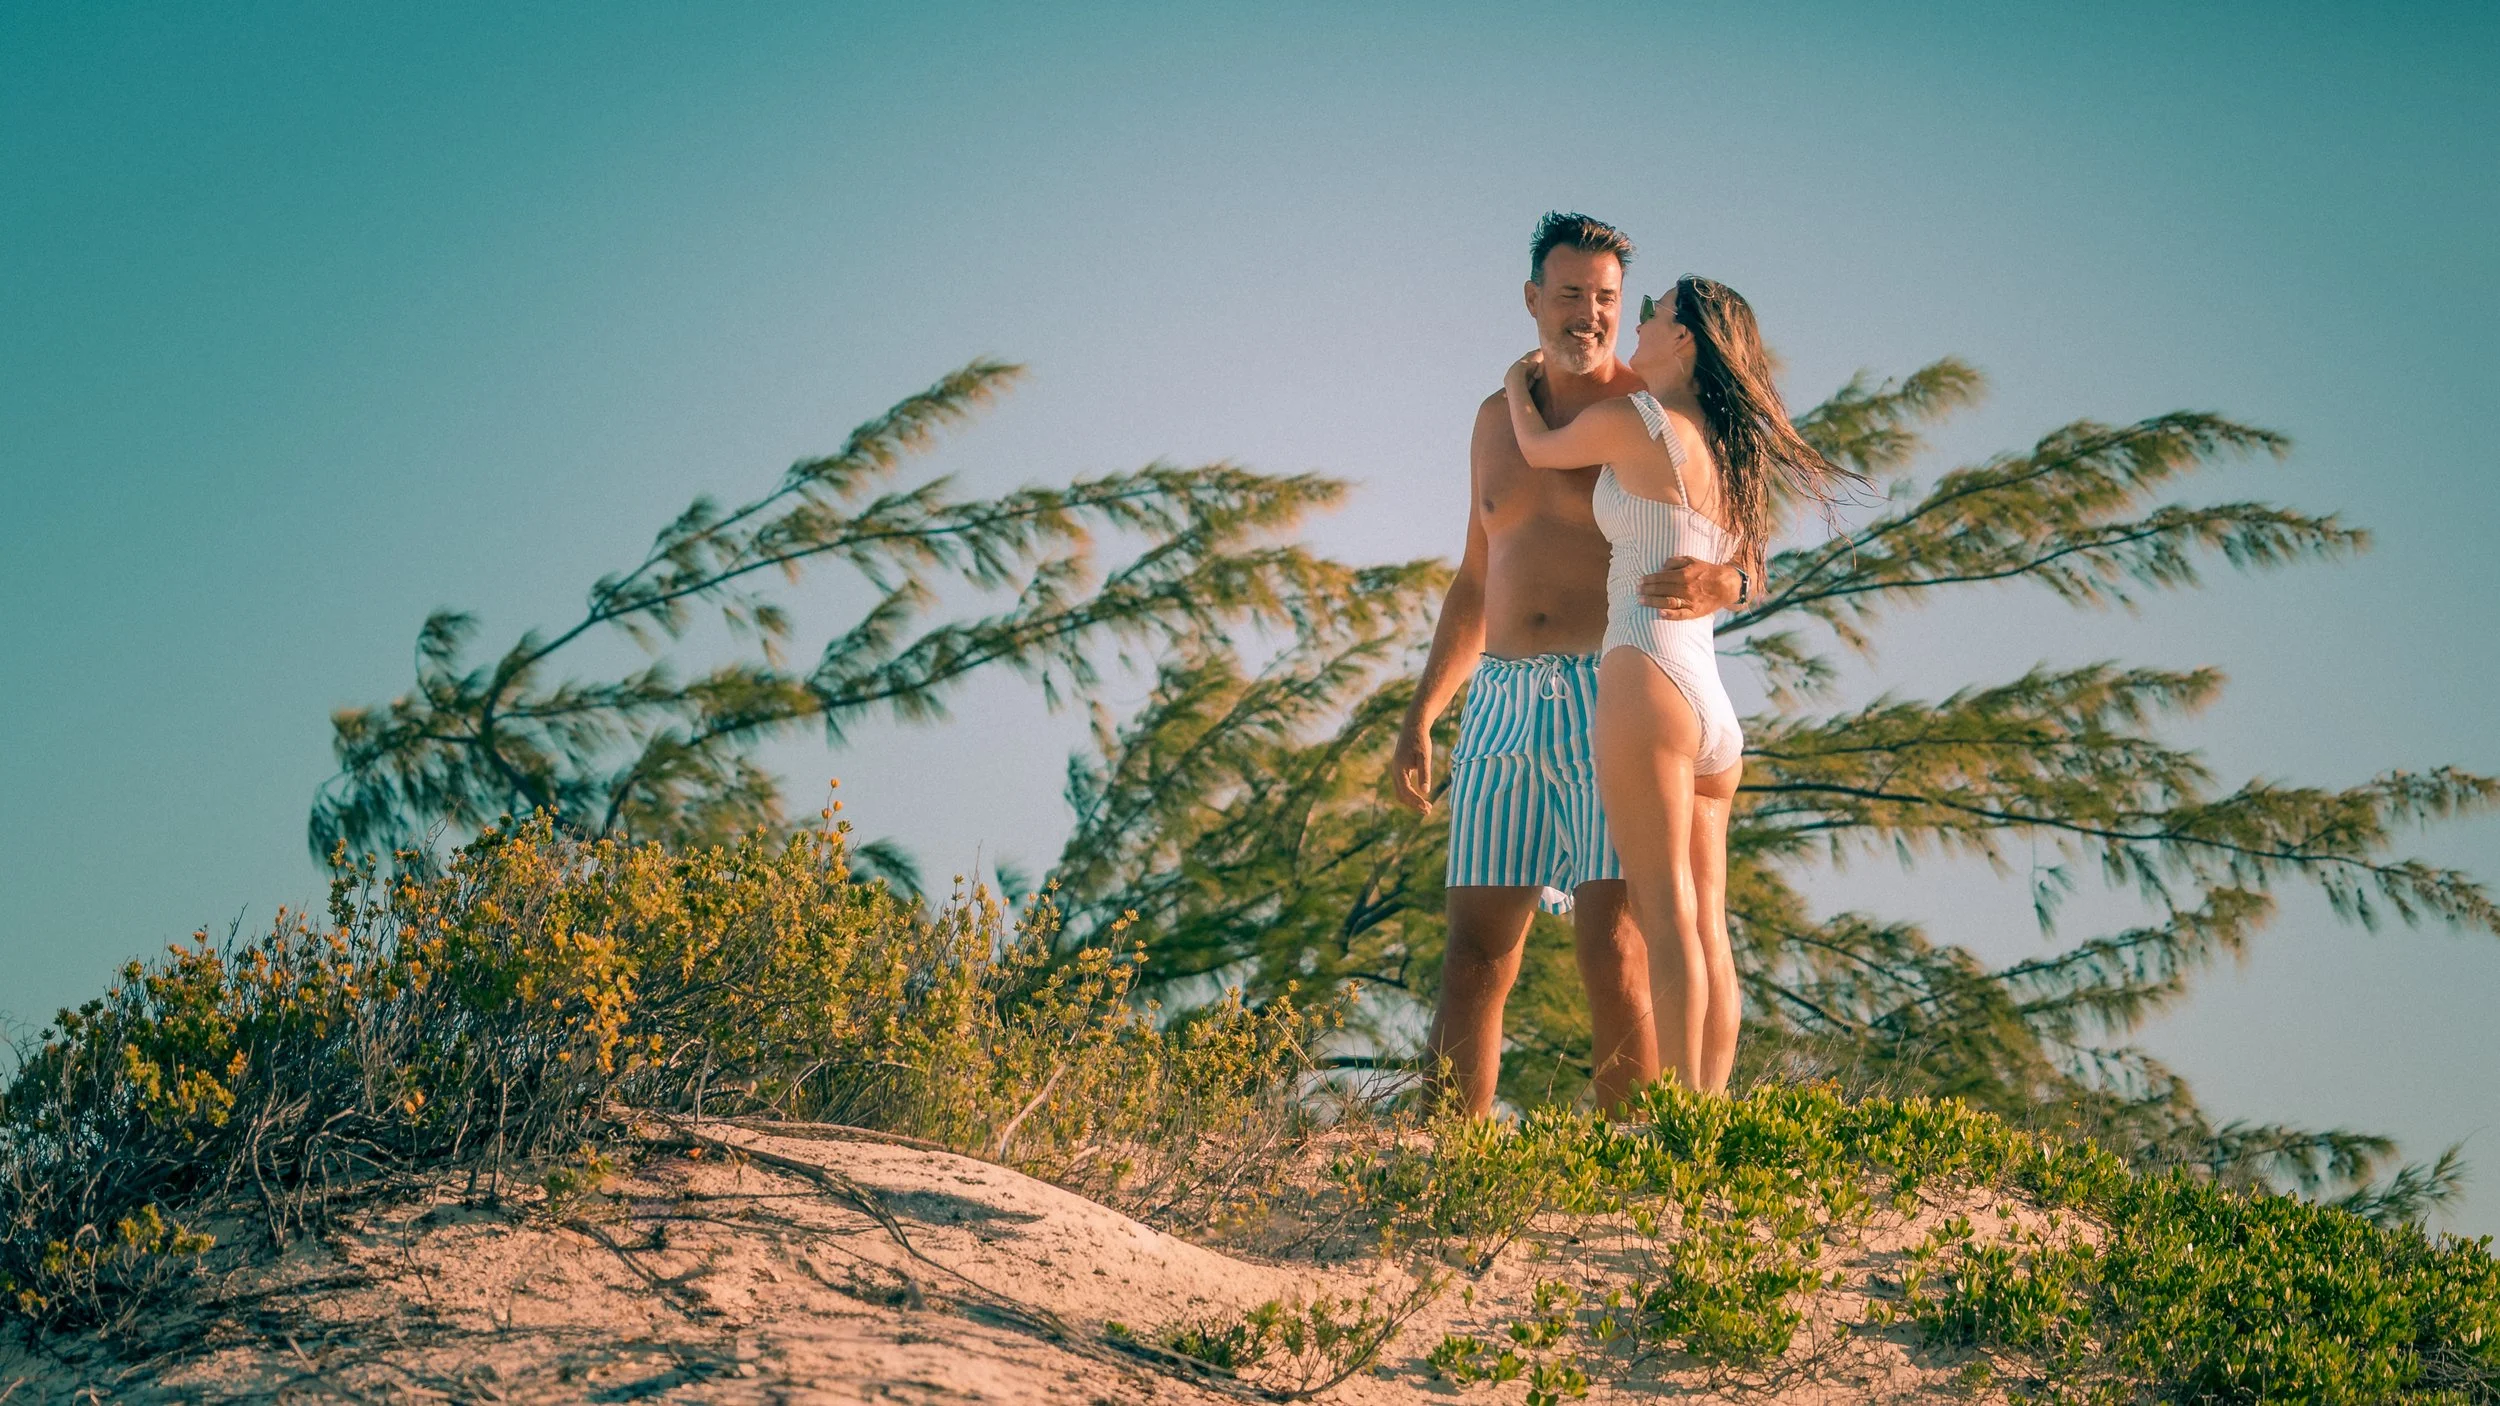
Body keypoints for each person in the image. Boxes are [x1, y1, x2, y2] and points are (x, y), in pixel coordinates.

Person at [1390, 214, 1747, 1114]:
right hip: (1501, 700)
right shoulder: (1493, 421)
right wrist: (1423, 711)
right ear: (1532, 300)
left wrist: (1732, 581)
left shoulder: (1648, 409)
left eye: (1607, 298)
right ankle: (1446, 1162)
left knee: (1616, 951)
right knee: (1474, 956)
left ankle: (1632, 1160)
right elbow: (1476, 576)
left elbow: (1730, 525)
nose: (1589, 314)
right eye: (1570, 295)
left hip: (1609, 692)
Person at [1499, 274, 1861, 1094]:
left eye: (1654, 315)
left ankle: (1682, 1125)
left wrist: (1519, 381)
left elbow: (1538, 447)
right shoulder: (1731, 455)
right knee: (1707, 929)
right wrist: (1735, 582)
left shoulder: (1639, 421)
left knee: (1666, 924)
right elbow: (1750, 571)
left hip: (1646, 675)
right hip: (1710, 706)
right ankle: (1709, 1114)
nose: (1638, 325)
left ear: (1684, 339)